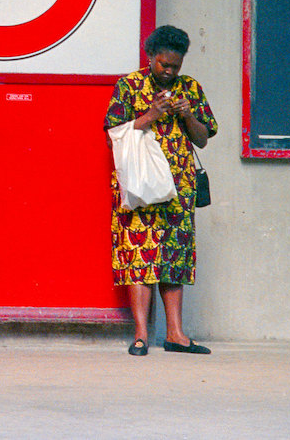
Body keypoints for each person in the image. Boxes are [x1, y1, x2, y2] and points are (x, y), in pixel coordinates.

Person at [104, 25, 218, 356]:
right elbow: (113, 130)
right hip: (139, 184)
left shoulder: (191, 88)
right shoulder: (129, 85)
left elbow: (203, 138)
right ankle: (141, 335)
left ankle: (176, 335)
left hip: (179, 186)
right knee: (139, 256)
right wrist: (153, 114)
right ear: (150, 57)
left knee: (175, 257)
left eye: (175, 67)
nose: (169, 71)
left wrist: (187, 115)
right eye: (163, 64)